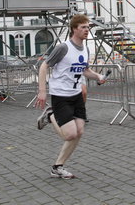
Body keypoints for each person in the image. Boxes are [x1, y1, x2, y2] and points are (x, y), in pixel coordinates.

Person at [35, 14, 107, 179]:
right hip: (61, 95)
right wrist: (42, 90)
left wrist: (98, 76)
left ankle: (57, 167)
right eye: (83, 27)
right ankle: (50, 114)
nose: (87, 30)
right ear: (74, 29)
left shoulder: (86, 49)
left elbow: (85, 70)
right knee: (70, 134)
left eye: (88, 27)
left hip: (76, 96)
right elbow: (44, 66)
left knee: (79, 131)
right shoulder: (63, 48)